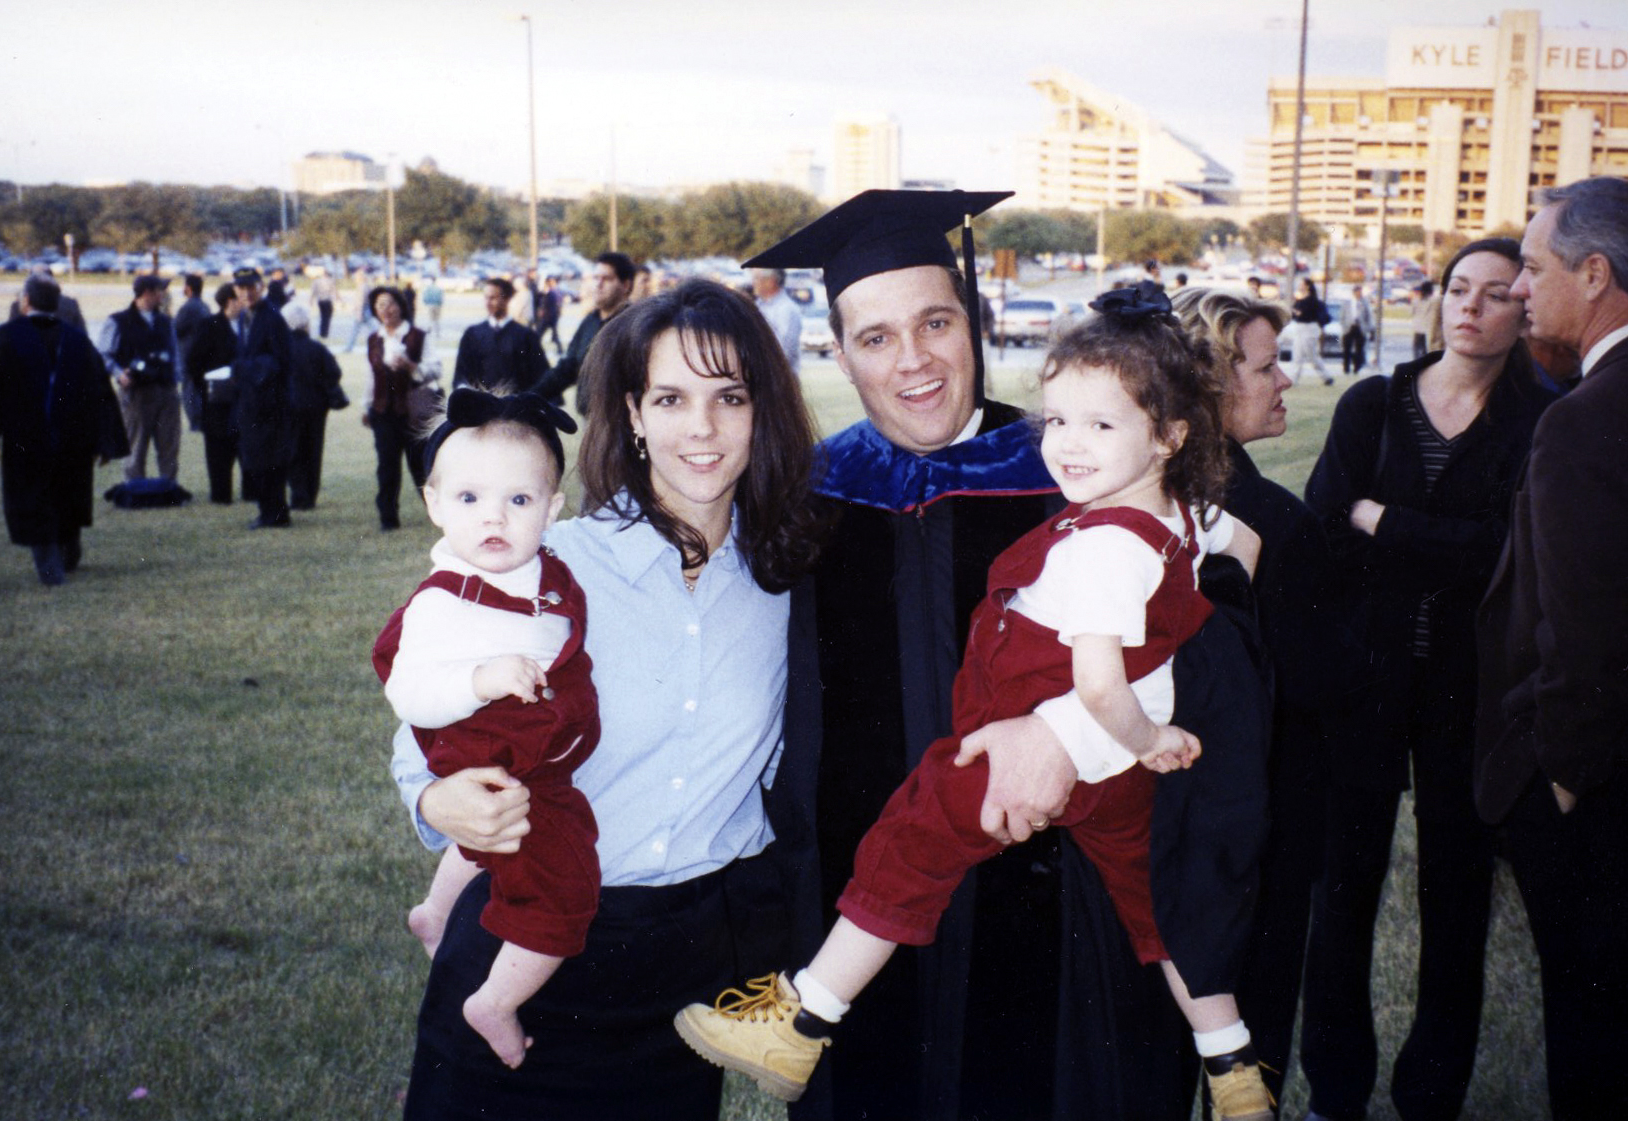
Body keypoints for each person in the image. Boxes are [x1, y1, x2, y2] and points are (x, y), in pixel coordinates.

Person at [676, 287, 1274, 1121]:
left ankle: (805, 1010)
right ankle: (1231, 1057)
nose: (913, 357)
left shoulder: (1070, 470)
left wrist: (1066, 732)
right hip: (897, 865)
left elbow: (1216, 629)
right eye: (876, 337)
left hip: (1054, 904)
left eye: (935, 323)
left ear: (975, 328)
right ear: (839, 356)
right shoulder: (808, 497)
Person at [390, 278, 826, 1118]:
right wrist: (435, 797)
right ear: (630, 413)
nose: (700, 428)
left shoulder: (787, 587)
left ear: (762, 409)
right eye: (670, 397)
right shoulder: (546, 565)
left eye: (729, 396)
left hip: (682, 970)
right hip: (522, 946)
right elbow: (425, 715)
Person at [1300, 238, 1556, 1121]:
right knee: (1342, 896)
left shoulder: (1538, 419)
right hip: (1364, 684)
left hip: (1468, 694)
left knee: (1454, 907)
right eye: (1458, 289)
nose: (1471, 307)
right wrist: (1393, 532)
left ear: (1524, 308)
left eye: (1494, 294)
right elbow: (1325, 527)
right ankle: (1336, 1089)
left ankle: (1430, 1096)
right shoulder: (1374, 404)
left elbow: (1506, 557)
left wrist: (1386, 520)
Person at [375, 388, 596, 1071]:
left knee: (481, 841)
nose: (493, 516)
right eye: (468, 499)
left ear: (553, 509)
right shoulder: (444, 601)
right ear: (433, 503)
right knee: (564, 885)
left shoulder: (546, 572)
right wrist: (479, 680)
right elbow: (406, 689)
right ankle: (495, 1000)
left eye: (519, 500)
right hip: (505, 761)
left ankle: (436, 912)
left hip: (526, 760)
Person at [1476, 176, 1628, 1121]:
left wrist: (1563, 774)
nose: (1520, 288)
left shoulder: (1582, 422)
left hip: (1595, 789)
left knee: (1593, 1022)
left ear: (1596, 272)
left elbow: (1583, 627)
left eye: (1533, 268)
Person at [1173, 286, 1344, 1103]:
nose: (1287, 383)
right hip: (1263, 819)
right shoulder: (1275, 522)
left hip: (1161, 819)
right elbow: (1320, 686)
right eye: (1270, 367)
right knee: (1254, 1037)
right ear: (1209, 383)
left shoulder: (1128, 501)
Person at [0, 275, 129, 585]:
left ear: (26, 301)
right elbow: (100, 392)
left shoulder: (5, 338)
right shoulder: (77, 339)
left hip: (25, 440)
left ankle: (50, 567)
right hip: (71, 438)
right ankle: (68, 554)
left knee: (35, 501)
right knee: (67, 496)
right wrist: (104, 441)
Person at [364, 285, 442, 532]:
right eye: (379, 305)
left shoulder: (418, 335)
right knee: (386, 466)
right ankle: (388, 518)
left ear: (400, 306)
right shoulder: (374, 339)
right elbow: (371, 375)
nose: (384, 310)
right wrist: (367, 405)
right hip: (383, 411)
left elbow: (436, 369)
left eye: (389, 303)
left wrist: (411, 367)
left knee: (419, 465)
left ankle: (437, 513)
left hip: (412, 413)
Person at [99, 274, 183, 482]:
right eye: (160, 291)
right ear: (147, 293)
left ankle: (168, 487)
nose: (163, 295)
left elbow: (175, 354)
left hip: (166, 391)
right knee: (135, 445)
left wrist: (175, 378)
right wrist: (120, 374)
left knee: (169, 444)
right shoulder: (117, 321)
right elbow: (103, 355)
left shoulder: (165, 321)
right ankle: (135, 488)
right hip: (136, 393)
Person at [231, 267, 296, 530]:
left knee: (268, 460)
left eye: (251, 287)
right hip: (252, 401)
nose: (246, 293)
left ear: (261, 287)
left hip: (270, 403)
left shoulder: (271, 318)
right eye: (241, 288)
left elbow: (281, 361)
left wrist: (243, 369)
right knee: (258, 459)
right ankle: (269, 510)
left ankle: (275, 513)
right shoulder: (247, 317)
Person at [534, 251, 635, 414]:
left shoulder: (636, 324)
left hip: (624, 422)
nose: (598, 284)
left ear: (626, 285)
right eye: (596, 278)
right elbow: (569, 367)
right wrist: (531, 396)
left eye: (607, 279)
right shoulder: (590, 321)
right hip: (590, 419)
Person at [282, 303, 347, 511]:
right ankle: (310, 495)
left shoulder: (282, 348)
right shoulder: (317, 348)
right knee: (313, 450)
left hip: (290, 406)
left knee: (293, 451)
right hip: (316, 407)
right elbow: (334, 372)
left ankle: (298, 495)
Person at [186, 283, 243, 504]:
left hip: (243, 398)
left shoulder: (247, 324)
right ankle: (221, 495)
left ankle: (252, 492)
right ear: (229, 300)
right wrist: (211, 381)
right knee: (219, 449)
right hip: (217, 399)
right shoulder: (209, 325)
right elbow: (193, 363)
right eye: (239, 297)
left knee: (245, 445)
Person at [453, 278, 550, 395]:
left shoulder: (525, 336)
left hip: (516, 407)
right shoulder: (472, 334)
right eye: (486, 298)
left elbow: (540, 375)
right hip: (481, 407)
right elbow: (462, 374)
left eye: (493, 298)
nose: (488, 303)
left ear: (507, 299)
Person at [173, 273, 210, 430]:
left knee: (189, 393)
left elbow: (174, 330)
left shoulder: (188, 308)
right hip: (202, 357)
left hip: (188, 357)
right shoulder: (204, 306)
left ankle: (195, 424)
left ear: (188, 288)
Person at [750, 267, 802, 374]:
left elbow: (784, 350)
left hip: (779, 377)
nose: (753, 283)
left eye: (756, 278)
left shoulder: (786, 309)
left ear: (770, 281)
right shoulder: (758, 306)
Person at [1287, 276, 1332, 385]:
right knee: (1297, 354)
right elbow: (1295, 314)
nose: (1299, 286)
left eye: (1301, 284)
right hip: (1299, 328)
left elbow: (1304, 314)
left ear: (1307, 286)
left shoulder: (1312, 300)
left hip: (1310, 329)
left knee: (1311, 354)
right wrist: (1296, 313)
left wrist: (1298, 313)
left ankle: (1326, 376)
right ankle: (1293, 379)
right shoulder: (1299, 300)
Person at [1341, 283, 1374, 376]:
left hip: (1360, 328)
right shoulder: (1347, 303)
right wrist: (1344, 326)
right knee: (1347, 348)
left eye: (1360, 291)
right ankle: (1346, 368)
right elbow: (1342, 316)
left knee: (1359, 349)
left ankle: (1357, 368)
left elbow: (1369, 316)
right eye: (1357, 291)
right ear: (1354, 292)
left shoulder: (1364, 303)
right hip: (1349, 327)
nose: (1359, 293)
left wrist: (1368, 328)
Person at [344, 268, 375, 353]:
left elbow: (361, 300)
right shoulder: (366, 286)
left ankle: (349, 348)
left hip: (363, 310)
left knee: (355, 331)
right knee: (372, 329)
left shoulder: (362, 287)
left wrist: (359, 313)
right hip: (366, 309)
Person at [1410, 280, 1438, 359]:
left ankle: (1416, 363)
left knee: (1416, 348)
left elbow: (1412, 312)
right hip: (1427, 327)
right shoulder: (1433, 301)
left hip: (1417, 327)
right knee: (1425, 349)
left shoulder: (1416, 301)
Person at [536, 276, 564, 353]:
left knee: (539, 334)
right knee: (553, 335)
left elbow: (555, 304)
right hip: (551, 317)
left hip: (549, 317)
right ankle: (560, 349)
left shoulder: (552, 292)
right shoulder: (551, 292)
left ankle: (560, 349)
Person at [309, 266, 339, 340]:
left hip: (320, 301)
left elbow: (313, 291)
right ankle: (325, 333)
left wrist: (311, 300)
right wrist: (339, 299)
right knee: (327, 318)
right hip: (327, 301)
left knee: (322, 317)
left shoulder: (316, 281)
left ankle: (322, 333)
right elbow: (334, 291)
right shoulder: (330, 280)